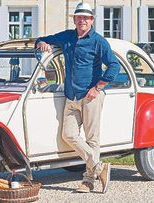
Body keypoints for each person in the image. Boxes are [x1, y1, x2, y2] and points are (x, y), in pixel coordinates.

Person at [35, 2, 120, 193]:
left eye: (86, 18)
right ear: (74, 19)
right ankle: (100, 168)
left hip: (91, 96)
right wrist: (41, 42)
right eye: (79, 17)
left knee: (92, 139)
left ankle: (88, 181)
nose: (82, 20)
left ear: (91, 20)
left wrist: (97, 87)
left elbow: (114, 66)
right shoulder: (66, 37)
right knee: (69, 134)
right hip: (71, 96)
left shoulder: (98, 41)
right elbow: (43, 38)